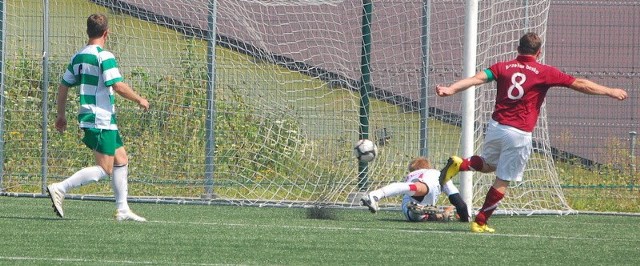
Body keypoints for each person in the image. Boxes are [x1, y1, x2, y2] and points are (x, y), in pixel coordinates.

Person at [435, 32, 628, 233]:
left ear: (518, 49)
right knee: (503, 179)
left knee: (488, 165)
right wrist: (609, 91)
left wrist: (451, 89)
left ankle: (461, 164)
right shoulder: (544, 71)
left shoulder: (502, 67)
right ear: (539, 52)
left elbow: (476, 79)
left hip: (496, 127)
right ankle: (481, 221)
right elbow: (580, 84)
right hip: (518, 133)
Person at [46, 13, 150, 222]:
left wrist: (61, 114)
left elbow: (64, 85)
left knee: (121, 159)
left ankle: (122, 209)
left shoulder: (79, 56)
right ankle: (60, 187)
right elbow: (117, 85)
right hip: (99, 118)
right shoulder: (105, 56)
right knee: (105, 168)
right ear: (106, 33)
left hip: (100, 118)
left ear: (87, 32)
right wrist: (139, 99)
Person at [360, 157, 470, 222]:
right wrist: (465, 218)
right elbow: (460, 204)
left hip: (411, 200)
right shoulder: (434, 172)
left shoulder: (411, 175)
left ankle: (433, 214)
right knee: (417, 189)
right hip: (431, 186)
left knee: (413, 198)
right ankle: (374, 195)